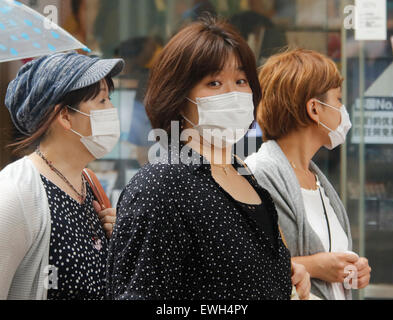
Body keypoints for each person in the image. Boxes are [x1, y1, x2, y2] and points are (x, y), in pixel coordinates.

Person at [106, 17, 310, 300]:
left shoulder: (245, 175)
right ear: (178, 96)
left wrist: (280, 273)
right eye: (213, 83)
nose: (233, 94)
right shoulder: (162, 186)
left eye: (241, 80)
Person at [245, 48, 371, 300]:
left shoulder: (315, 178)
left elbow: (332, 264)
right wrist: (315, 265)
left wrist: (353, 271)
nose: (343, 110)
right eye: (338, 99)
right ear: (314, 109)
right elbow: (246, 267)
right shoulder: (258, 174)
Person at [0, 52, 124, 300]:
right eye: (101, 101)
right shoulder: (16, 192)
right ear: (65, 116)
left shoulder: (87, 182)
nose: (112, 109)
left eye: (109, 99)